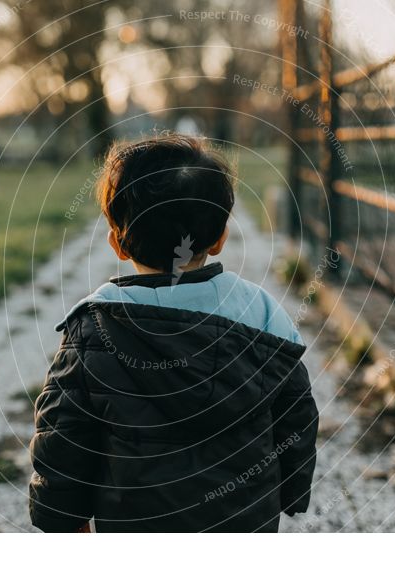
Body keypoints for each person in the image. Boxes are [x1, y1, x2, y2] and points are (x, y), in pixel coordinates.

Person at [29, 133, 318, 532]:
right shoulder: (263, 316)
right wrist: (290, 491)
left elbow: (65, 436)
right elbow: (296, 417)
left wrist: (63, 520)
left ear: (118, 243)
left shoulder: (94, 328)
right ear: (219, 239)